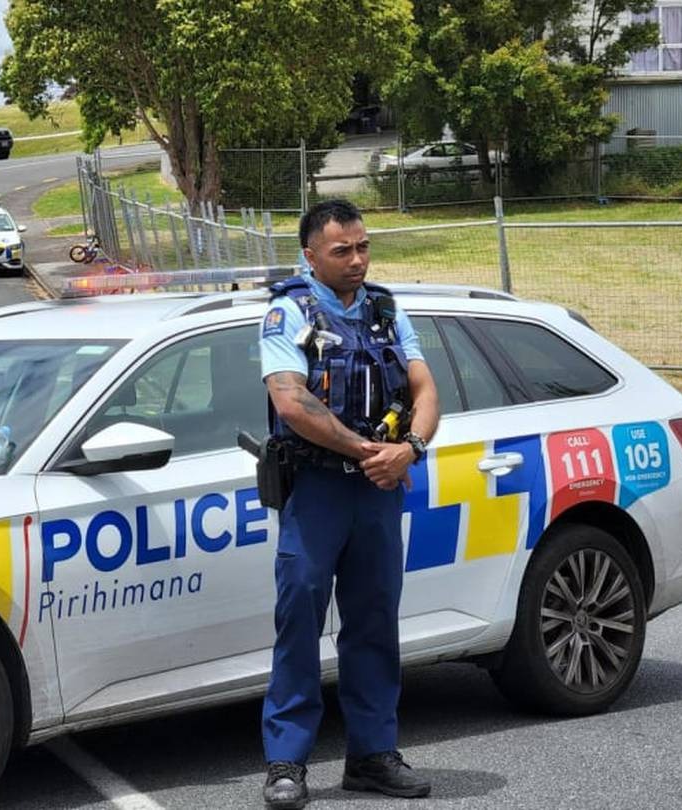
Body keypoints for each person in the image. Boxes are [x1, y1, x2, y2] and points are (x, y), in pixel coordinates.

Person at [257, 199, 439, 809]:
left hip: (381, 490)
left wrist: (409, 449)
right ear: (310, 255)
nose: (357, 259)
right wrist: (369, 451)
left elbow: (424, 388)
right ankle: (287, 762)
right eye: (343, 250)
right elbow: (290, 401)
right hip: (318, 491)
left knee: (374, 624)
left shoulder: (386, 309)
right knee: (299, 625)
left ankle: (372, 756)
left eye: (363, 247)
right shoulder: (288, 312)